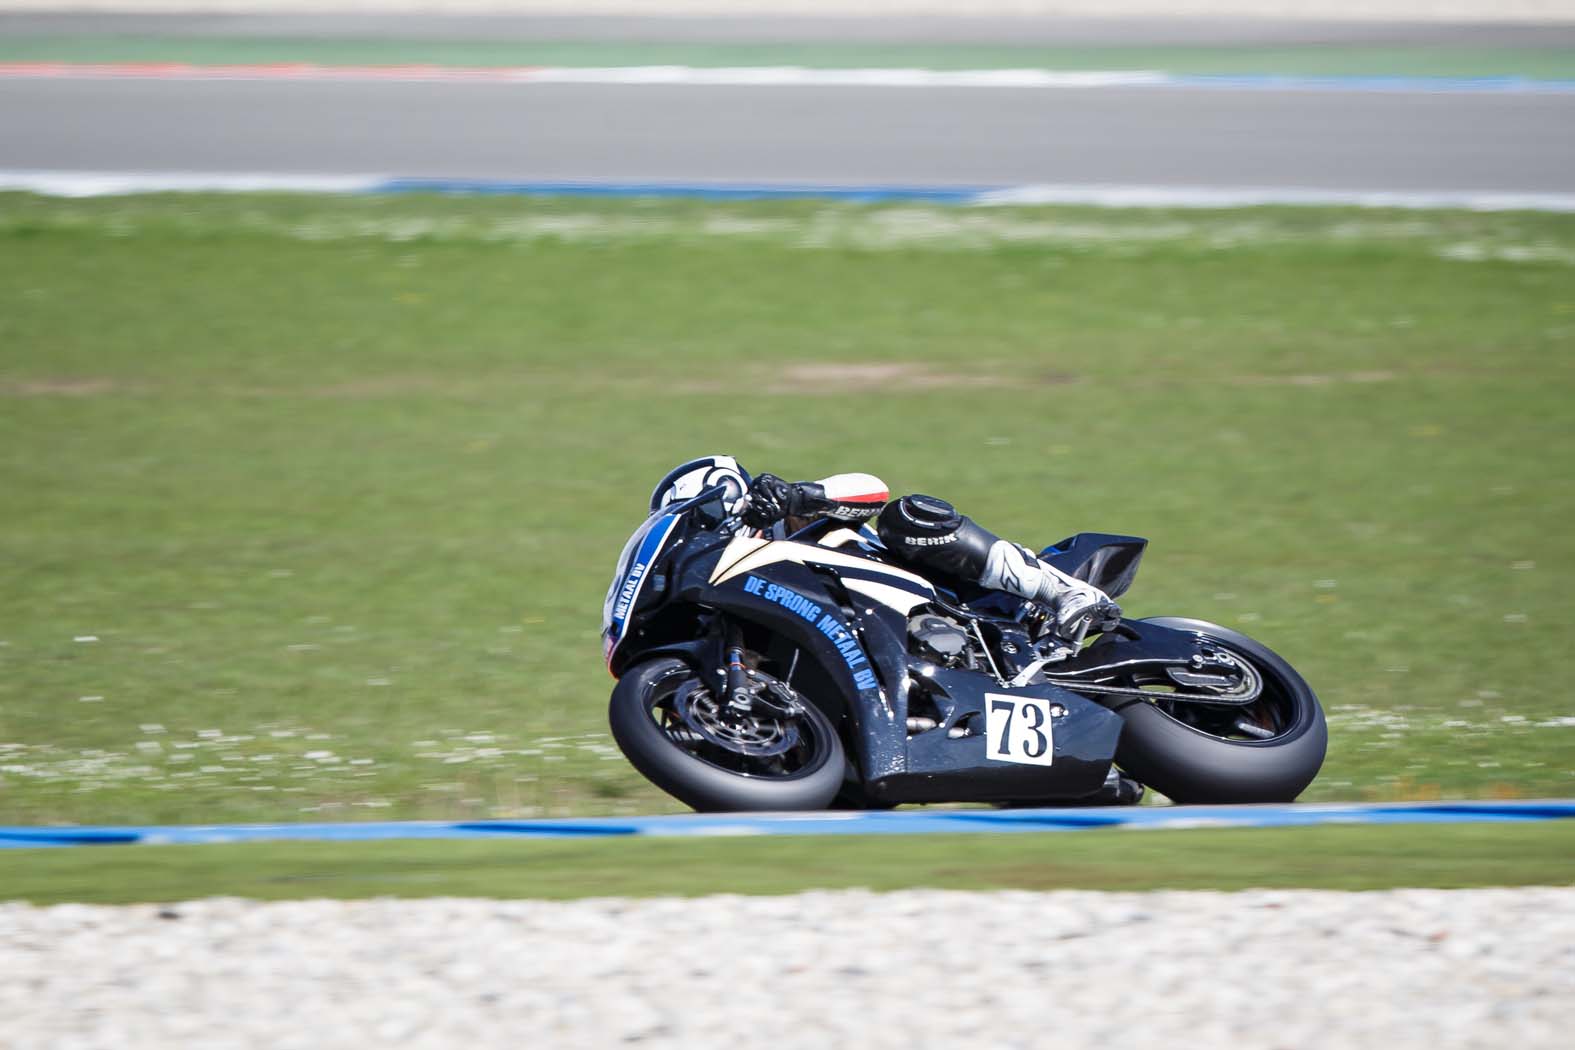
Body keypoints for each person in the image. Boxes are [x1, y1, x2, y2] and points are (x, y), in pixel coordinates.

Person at [649, 455, 1119, 640]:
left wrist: (800, 496)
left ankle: (1064, 592)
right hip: (890, 643)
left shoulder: (786, 519)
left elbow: (870, 488)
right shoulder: (728, 591)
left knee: (907, 515)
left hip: (944, 597)